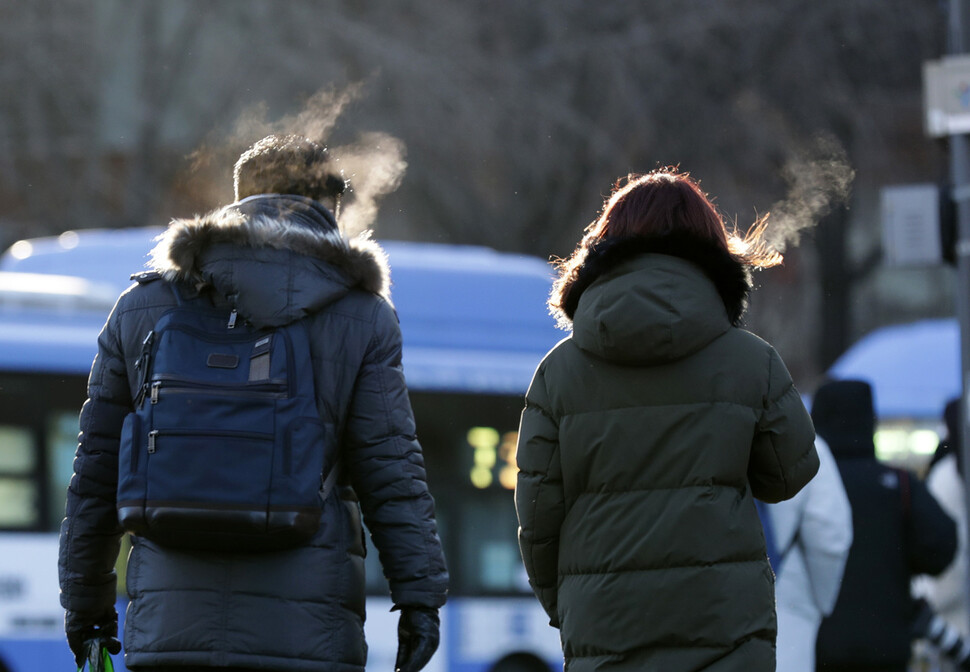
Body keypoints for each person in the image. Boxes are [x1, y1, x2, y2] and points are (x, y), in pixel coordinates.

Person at [57, 134, 449, 672]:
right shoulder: (361, 316)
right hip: (308, 633)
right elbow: (391, 468)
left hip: (171, 630)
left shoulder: (140, 307)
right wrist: (419, 600)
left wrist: (86, 608)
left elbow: (96, 474)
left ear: (239, 197)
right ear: (332, 206)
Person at [514, 168, 820, 672]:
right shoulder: (751, 361)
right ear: (712, 251)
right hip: (726, 632)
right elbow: (789, 474)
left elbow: (538, 519)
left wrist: (570, 607)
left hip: (605, 628)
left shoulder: (558, 374)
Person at [813, 379, 957, 672]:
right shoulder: (899, 485)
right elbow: (942, 548)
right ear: (870, 420)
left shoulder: (806, 490)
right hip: (888, 647)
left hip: (820, 647)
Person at [769, 437, 853, 672]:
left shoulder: (695, 432)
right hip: (784, 612)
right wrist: (821, 601)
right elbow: (830, 537)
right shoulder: (802, 441)